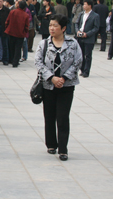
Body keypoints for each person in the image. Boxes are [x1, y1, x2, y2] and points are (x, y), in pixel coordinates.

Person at [35, 15, 82, 161]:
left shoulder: (73, 43)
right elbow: (38, 62)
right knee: (49, 116)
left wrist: (64, 78)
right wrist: (52, 78)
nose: (52, 28)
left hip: (66, 86)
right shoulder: (44, 44)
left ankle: (63, 148)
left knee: (62, 117)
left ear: (63, 28)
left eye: (55, 25)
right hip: (48, 86)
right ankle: (51, 144)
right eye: (50, 25)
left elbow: (78, 62)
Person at [75, 0, 99, 78]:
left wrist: (87, 34)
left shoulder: (95, 16)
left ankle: (86, 71)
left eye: (85, 4)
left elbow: (96, 28)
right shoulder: (81, 14)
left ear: (90, 6)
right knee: (80, 54)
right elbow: (77, 23)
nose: (84, 6)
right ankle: (82, 69)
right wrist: (77, 31)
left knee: (88, 55)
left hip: (88, 38)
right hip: (80, 36)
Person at [5, 1, 30, 68]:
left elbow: (7, 21)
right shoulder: (25, 15)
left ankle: (11, 59)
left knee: (11, 46)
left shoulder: (12, 12)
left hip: (11, 32)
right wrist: (25, 32)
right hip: (20, 33)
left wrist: (7, 28)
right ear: (25, 7)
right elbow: (26, 26)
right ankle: (15, 62)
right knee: (18, 48)